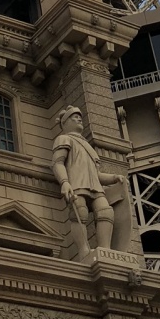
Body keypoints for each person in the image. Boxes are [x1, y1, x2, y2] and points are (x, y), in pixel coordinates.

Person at [51, 106, 127, 259]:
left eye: (80, 117)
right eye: (74, 117)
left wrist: (113, 178)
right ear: (65, 123)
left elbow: (96, 174)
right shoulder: (64, 138)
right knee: (80, 212)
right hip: (76, 183)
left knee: (106, 212)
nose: (79, 119)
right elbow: (57, 163)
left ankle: (105, 250)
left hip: (94, 185)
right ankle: (84, 251)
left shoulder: (88, 146)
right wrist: (65, 182)